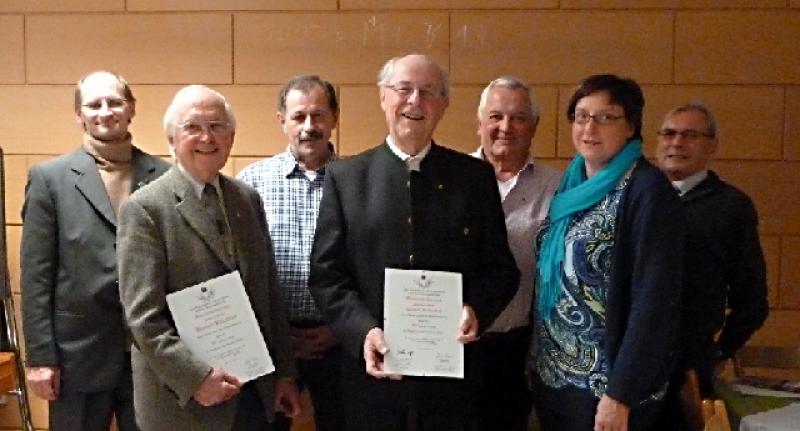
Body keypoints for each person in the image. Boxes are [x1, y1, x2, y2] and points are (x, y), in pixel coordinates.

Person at [308, 54, 519, 431]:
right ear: (383, 97)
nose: (415, 102)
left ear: (444, 104)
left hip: (452, 386)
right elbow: (327, 277)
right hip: (370, 381)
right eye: (403, 89)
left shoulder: (474, 178)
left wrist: (476, 310)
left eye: (428, 92)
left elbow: (501, 271)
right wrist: (363, 332)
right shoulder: (345, 178)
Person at [116, 85, 300, 431]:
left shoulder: (247, 200)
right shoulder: (145, 209)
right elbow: (143, 318)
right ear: (171, 137)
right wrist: (196, 378)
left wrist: (284, 373)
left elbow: (269, 294)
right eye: (192, 127)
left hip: (253, 394)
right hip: (185, 404)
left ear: (231, 137)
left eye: (217, 126)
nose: (206, 137)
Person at [528, 74, 685, 431]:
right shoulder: (569, 185)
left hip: (609, 390)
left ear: (631, 126)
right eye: (581, 116)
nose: (589, 127)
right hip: (554, 379)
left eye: (605, 117)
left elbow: (655, 302)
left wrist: (621, 394)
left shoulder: (648, 191)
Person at [20, 70, 170, 431]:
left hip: (149, 354)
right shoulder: (49, 179)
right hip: (77, 357)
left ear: (131, 108)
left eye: (115, 102)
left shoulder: (164, 175)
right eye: (94, 104)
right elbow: (36, 275)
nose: (105, 111)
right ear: (79, 113)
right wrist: (40, 358)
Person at [237, 74, 344, 431]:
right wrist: (279, 333)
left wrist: (339, 327)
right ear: (281, 120)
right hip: (269, 342)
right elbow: (240, 269)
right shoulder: (251, 183)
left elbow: (370, 264)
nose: (309, 127)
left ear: (334, 118)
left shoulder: (356, 181)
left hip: (340, 342)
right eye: (299, 117)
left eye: (319, 115)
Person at [655, 102, 768, 395]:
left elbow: (752, 297)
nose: (677, 143)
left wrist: (722, 350)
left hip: (689, 364)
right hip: (623, 363)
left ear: (712, 146)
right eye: (669, 133)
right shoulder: (634, 197)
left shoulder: (731, 207)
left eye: (690, 135)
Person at [470, 75, 561, 431]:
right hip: (452, 349)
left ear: (535, 126)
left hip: (518, 352)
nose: (505, 127)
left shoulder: (560, 189)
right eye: (495, 116)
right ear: (479, 123)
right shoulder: (449, 179)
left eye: (518, 117)